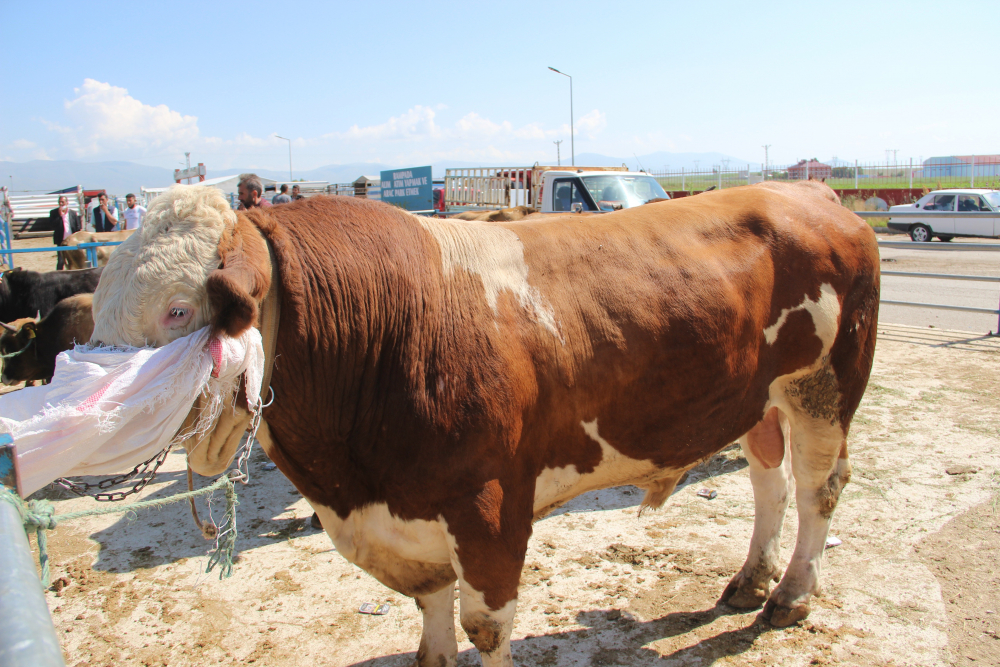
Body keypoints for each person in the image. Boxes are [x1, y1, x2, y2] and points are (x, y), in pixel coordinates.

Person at [49, 196, 81, 270]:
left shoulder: (73, 213)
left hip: (72, 240)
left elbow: (77, 226)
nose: (61, 204)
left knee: (74, 260)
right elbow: (52, 226)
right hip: (61, 241)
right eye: (59, 202)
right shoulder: (54, 213)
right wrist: (60, 216)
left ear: (67, 202)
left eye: (62, 202)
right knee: (61, 261)